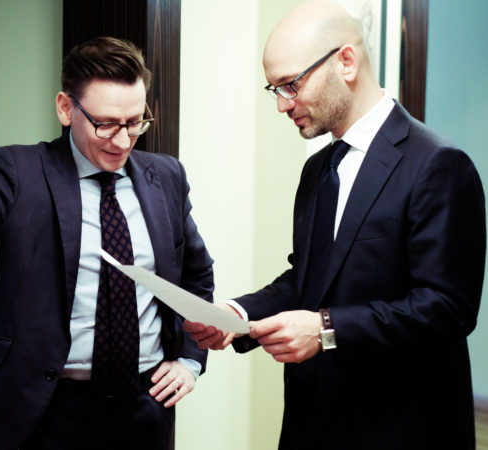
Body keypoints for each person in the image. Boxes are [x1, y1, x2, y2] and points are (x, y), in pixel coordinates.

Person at [0, 36, 215, 450]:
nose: (122, 141)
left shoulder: (167, 177)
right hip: (45, 410)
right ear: (66, 108)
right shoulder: (21, 172)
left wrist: (190, 359)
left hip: (143, 409)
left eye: (135, 122)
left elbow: (196, 274)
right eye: (105, 124)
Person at [185, 1, 485, 449]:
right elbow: (309, 279)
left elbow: (446, 309)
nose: (283, 105)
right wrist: (238, 314)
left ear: (346, 61)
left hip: (399, 428)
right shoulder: (317, 169)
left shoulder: (439, 165)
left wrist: (325, 328)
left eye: (291, 84)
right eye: (275, 90)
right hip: (314, 423)